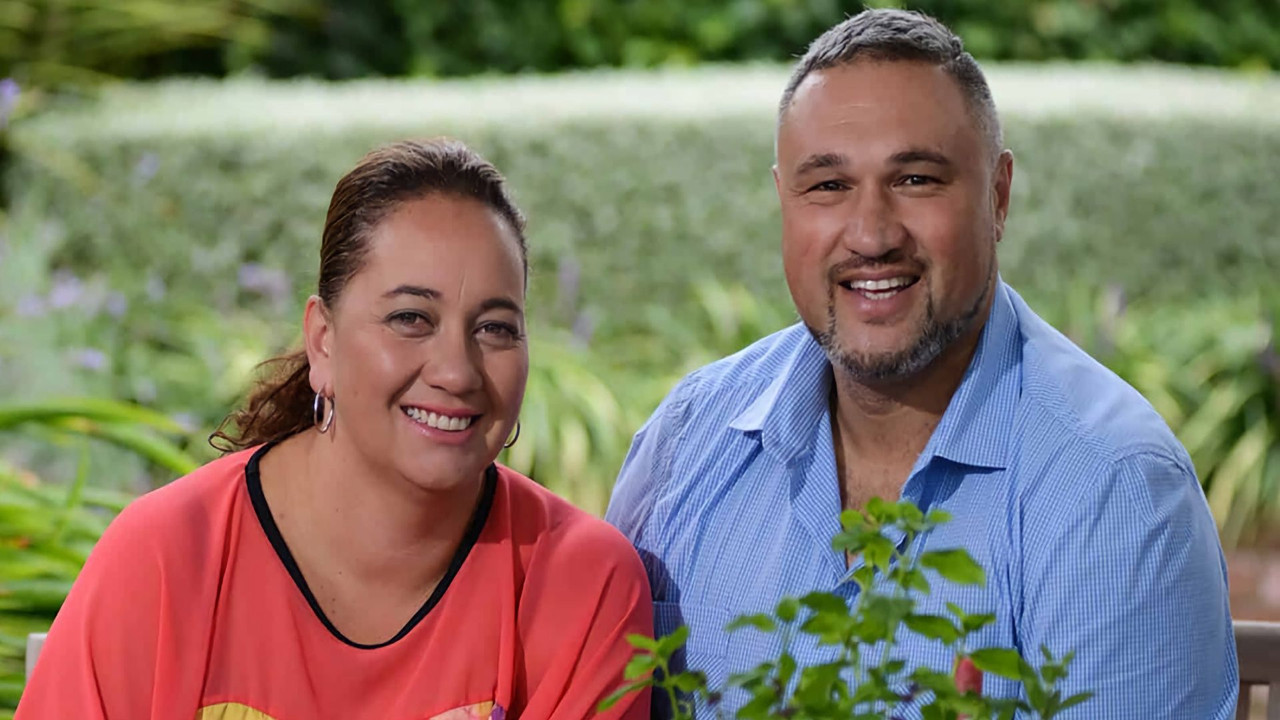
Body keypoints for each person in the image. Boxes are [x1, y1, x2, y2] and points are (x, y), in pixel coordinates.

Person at [606, 9, 1237, 718]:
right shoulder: (688, 440)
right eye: (828, 186)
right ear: (784, 201)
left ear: (998, 197)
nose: (872, 234)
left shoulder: (1114, 490)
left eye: (915, 179)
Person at [19, 139, 652, 720]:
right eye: (410, 318)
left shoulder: (581, 586)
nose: (457, 372)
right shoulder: (166, 558)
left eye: (495, 328)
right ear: (323, 341)